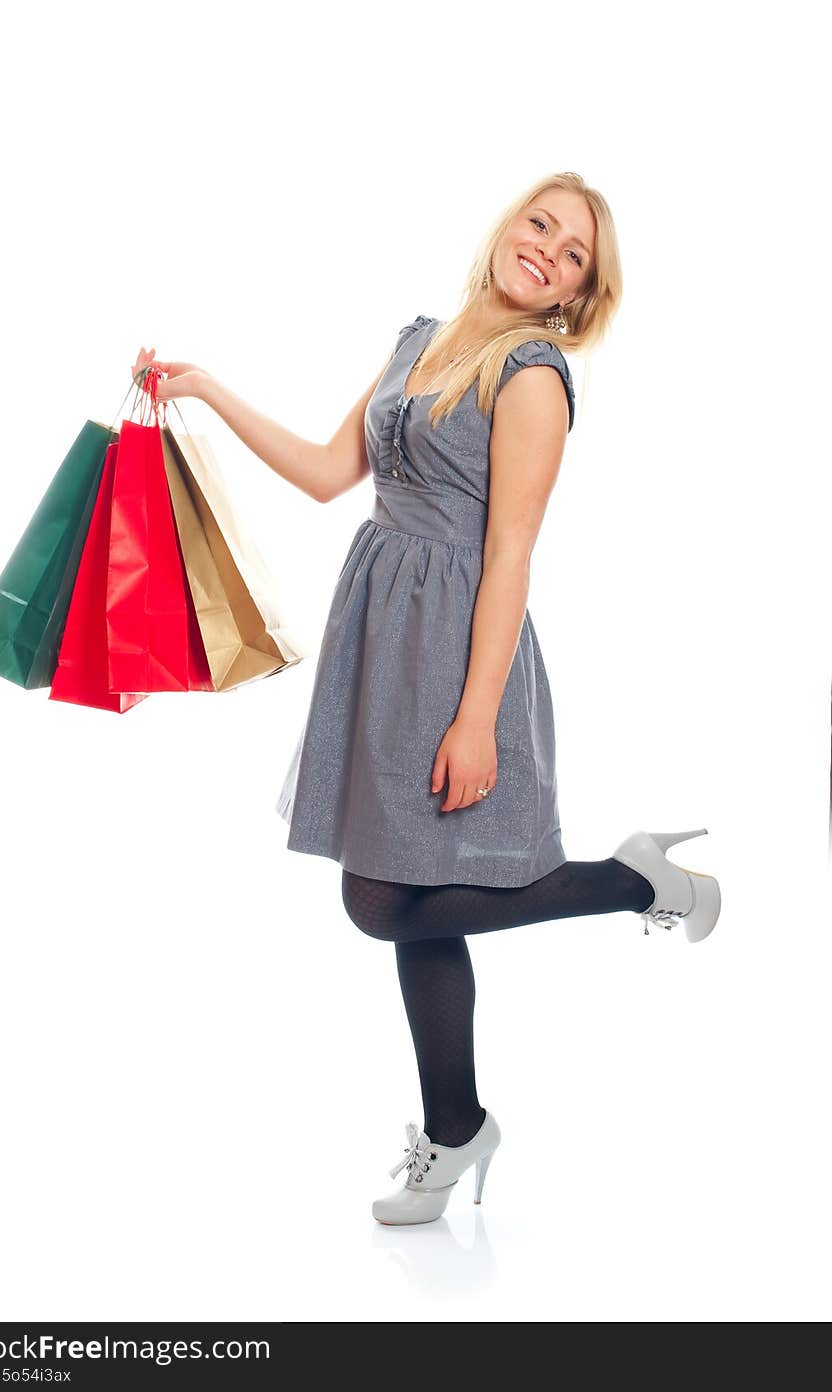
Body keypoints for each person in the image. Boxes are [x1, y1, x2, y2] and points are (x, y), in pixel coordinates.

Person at [132, 171, 721, 1229]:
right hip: (382, 628)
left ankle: (635, 886)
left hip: (454, 646)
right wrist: (207, 388)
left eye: (573, 253)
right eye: (541, 223)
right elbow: (326, 472)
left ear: (576, 296)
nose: (546, 249)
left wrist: (475, 715)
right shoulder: (419, 339)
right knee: (400, 896)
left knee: (378, 900)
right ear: (508, 224)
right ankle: (454, 1130)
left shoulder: (532, 376)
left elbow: (510, 550)